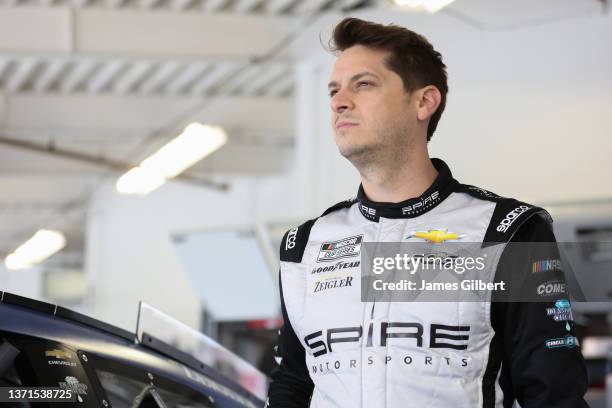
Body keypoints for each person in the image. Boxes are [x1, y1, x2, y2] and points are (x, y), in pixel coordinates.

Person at [266, 17, 588, 408]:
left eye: (363, 84)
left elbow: (555, 396)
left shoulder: (506, 232)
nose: (339, 101)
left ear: (424, 101)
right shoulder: (305, 245)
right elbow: (292, 386)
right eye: (334, 90)